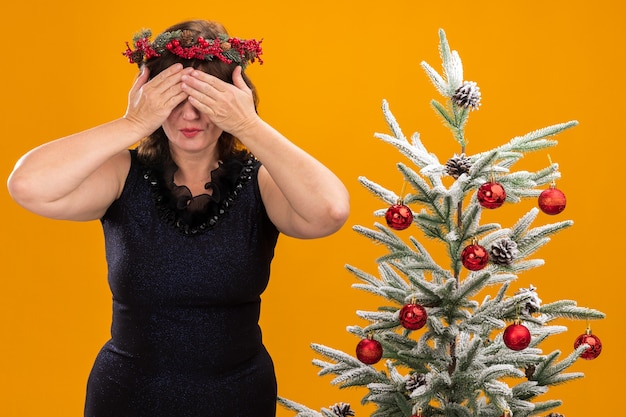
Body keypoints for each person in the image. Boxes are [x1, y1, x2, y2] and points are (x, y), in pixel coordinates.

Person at [7, 19, 350, 417]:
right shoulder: (121, 174)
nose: (190, 116)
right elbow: (28, 186)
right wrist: (132, 123)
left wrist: (249, 125)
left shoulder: (265, 181)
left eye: (205, 99)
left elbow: (330, 211)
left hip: (237, 397)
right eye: (174, 98)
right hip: (126, 395)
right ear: (150, 99)